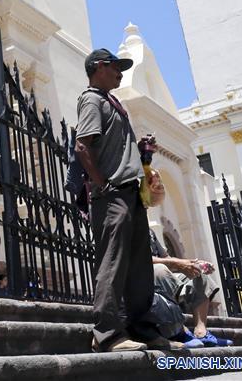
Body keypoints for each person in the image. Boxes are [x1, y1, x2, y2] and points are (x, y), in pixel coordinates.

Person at [75, 48, 181, 352]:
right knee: (113, 262)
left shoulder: (114, 103)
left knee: (139, 268)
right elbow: (83, 146)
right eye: (114, 67)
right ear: (97, 67)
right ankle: (106, 334)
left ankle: (143, 329)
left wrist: (140, 148)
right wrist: (102, 185)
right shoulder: (92, 99)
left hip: (131, 194)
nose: (120, 73)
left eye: (122, 68)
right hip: (113, 194)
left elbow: (114, 150)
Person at [144, 170, 231, 347]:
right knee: (160, 271)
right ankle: (177, 331)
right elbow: (141, 260)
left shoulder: (149, 232)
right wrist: (177, 263)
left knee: (198, 273)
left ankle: (201, 331)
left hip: (161, 277)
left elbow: (166, 257)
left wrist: (192, 264)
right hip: (143, 279)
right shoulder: (129, 224)